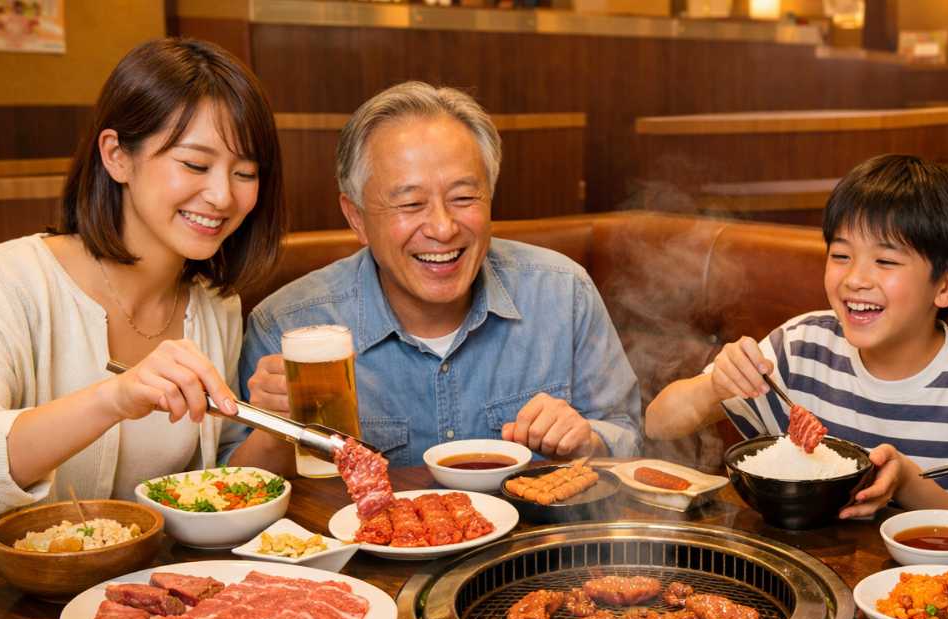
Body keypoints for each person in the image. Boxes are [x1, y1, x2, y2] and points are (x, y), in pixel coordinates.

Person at [229, 82, 640, 474]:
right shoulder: (287, 324)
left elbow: (627, 435)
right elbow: (232, 485)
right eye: (411, 203)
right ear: (356, 217)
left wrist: (586, 441)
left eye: (464, 198)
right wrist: (274, 431)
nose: (443, 228)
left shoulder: (562, 292)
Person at [645, 154, 948, 534]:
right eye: (841, 255)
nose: (855, 279)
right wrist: (715, 386)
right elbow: (658, 424)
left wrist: (906, 484)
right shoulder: (801, 347)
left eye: (885, 261)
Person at [0, 38, 284, 517]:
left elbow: (221, 479)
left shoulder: (216, 306)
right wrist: (115, 398)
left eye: (246, 173)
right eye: (195, 164)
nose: (222, 196)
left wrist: (278, 427)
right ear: (117, 156)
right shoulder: (7, 282)